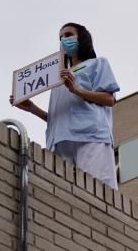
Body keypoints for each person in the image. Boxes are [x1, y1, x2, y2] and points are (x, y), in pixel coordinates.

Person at [10, 22, 120, 188]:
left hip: (91, 137)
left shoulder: (97, 64)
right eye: (61, 37)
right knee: (64, 193)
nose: (63, 40)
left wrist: (76, 90)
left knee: (98, 190)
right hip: (60, 141)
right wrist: (31, 107)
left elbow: (109, 99)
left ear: (82, 38)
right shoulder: (58, 78)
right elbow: (58, 118)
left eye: (68, 35)